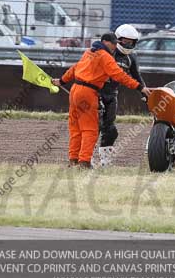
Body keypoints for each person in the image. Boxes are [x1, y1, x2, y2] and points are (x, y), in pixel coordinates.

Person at [53, 33, 150, 169]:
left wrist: (61, 81)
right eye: (113, 43)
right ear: (105, 42)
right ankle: (84, 162)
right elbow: (119, 75)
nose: (116, 46)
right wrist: (139, 87)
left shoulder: (89, 53)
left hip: (75, 90)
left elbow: (74, 69)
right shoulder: (105, 56)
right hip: (88, 92)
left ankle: (73, 160)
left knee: (75, 128)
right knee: (90, 129)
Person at [98, 24, 143, 168]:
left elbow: (137, 77)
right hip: (96, 93)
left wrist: (145, 92)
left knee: (110, 130)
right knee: (94, 128)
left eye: (131, 42)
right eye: (125, 41)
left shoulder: (131, 58)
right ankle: (85, 159)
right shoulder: (106, 52)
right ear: (117, 39)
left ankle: (105, 162)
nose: (128, 44)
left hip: (112, 95)